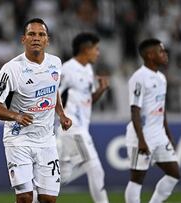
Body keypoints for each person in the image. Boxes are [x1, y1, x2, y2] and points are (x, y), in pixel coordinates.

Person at [0, 18, 72, 203]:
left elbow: (54, 89)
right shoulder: (11, 69)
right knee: (25, 197)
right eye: (31, 34)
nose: (36, 38)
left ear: (47, 40)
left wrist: (61, 113)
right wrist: (15, 116)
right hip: (18, 139)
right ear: (23, 39)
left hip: (46, 139)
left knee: (48, 198)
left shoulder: (55, 63)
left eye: (41, 34)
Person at [124, 38, 181, 203]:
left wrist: (168, 135)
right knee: (137, 179)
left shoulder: (162, 78)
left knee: (174, 173)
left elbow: (161, 110)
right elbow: (135, 111)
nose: (165, 54)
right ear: (150, 55)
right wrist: (141, 140)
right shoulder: (139, 77)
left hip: (159, 135)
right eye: (161, 51)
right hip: (141, 136)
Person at [56, 32, 110, 203]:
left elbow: (88, 100)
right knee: (95, 169)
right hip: (73, 128)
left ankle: (31, 197)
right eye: (96, 49)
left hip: (79, 129)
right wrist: (61, 117)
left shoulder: (88, 69)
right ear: (86, 49)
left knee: (60, 177)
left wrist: (100, 90)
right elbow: (53, 94)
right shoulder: (67, 69)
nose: (98, 53)